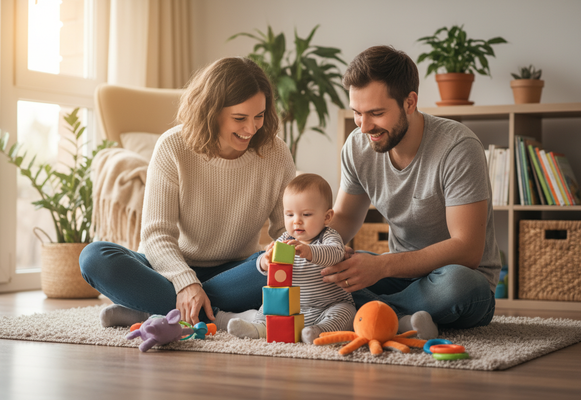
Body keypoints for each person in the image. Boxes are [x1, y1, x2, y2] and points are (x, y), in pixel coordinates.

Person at [80, 57, 296, 328]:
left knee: (289, 263)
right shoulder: (173, 147)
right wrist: (185, 282)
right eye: (240, 118)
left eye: (259, 116)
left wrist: (290, 248)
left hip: (237, 272)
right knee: (94, 258)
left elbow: (287, 231)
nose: (251, 128)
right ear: (211, 111)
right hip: (167, 268)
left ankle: (155, 310)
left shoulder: (276, 153)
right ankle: (215, 313)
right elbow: (157, 235)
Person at [321, 45, 501, 338]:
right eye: (357, 113)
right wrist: (315, 251)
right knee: (333, 271)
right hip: (399, 278)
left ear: (410, 102)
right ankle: (400, 318)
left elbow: (467, 250)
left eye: (376, 113)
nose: (364, 127)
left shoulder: (457, 147)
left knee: (459, 286)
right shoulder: (357, 146)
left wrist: (381, 266)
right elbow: (343, 218)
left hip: (456, 279)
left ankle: (363, 313)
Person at [221, 173, 357, 343]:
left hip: (327, 306)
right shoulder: (285, 240)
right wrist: (265, 261)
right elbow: (270, 269)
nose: (297, 221)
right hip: (292, 308)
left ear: (327, 217)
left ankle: (320, 331)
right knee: (267, 306)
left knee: (346, 312)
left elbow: (335, 253)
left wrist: (309, 252)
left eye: (306, 215)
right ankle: (259, 328)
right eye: (290, 215)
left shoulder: (328, 237)